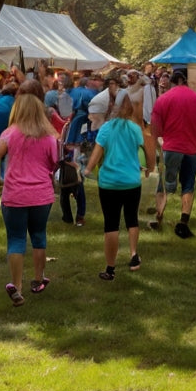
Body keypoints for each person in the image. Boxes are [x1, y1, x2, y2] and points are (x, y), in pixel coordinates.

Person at [0, 91, 59, 305]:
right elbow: (54, 163)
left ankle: (17, 286)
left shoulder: (10, 133)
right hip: (42, 195)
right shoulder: (49, 136)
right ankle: (38, 279)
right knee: (38, 236)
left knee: (15, 240)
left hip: (14, 194)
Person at [87, 95, 155, 280]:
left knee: (111, 224)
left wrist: (86, 170)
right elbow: (148, 149)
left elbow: (96, 154)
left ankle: (110, 269)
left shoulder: (106, 129)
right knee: (131, 219)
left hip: (109, 182)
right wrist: (150, 167)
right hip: (131, 181)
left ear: (113, 108)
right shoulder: (135, 129)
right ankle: (134, 254)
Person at [148, 68, 196, 238]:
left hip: (171, 148)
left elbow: (155, 131)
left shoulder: (162, 99)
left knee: (163, 185)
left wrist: (153, 154)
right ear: (187, 81)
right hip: (191, 150)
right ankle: (183, 221)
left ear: (173, 81)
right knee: (188, 186)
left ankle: (158, 216)